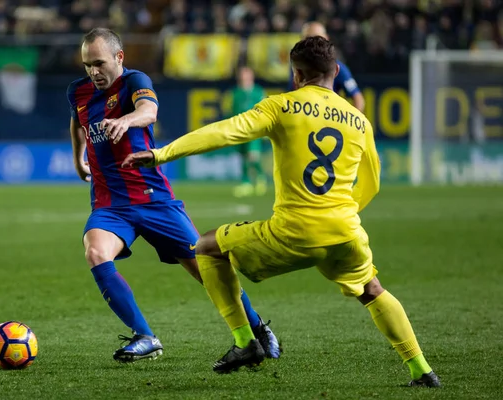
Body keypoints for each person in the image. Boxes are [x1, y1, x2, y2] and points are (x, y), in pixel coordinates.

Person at [122, 36, 441, 387]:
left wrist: (162, 153)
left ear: (296, 76)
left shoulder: (281, 106)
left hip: (293, 232)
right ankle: (421, 370)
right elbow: (373, 182)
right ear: (335, 71)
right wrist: (343, 212)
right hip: (346, 231)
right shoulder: (359, 121)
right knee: (372, 289)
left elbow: (224, 132)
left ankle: (245, 342)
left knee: (206, 247)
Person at [66, 28, 280, 363]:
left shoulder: (135, 80)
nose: (93, 71)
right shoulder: (78, 92)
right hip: (110, 205)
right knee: (95, 252)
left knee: (206, 269)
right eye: (86, 65)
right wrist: (79, 159)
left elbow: (148, 111)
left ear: (119, 58)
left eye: (99, 63)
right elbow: (77, 124)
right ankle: (145, 335)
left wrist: (126, 121)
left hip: (154, 200)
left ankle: (258, 327)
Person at [291, 22, 365, 113]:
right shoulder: (296, 65)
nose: (311, 43)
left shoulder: (337, 68)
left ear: (326, 38)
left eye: (317, 38)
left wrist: (349, 123)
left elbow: (358, 99)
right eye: (307, 38)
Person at [229, 66, 268, 198]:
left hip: (255, 129)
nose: (244, 77)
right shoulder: (236, 93)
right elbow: (233, 112)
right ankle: (246, 182)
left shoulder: (258, 92)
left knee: (253, 156)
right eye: (242, 75)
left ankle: (260, 178)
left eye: (246, 75)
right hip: (240, 129)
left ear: (251, 76)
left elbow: (264, 110)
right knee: (244, 156)